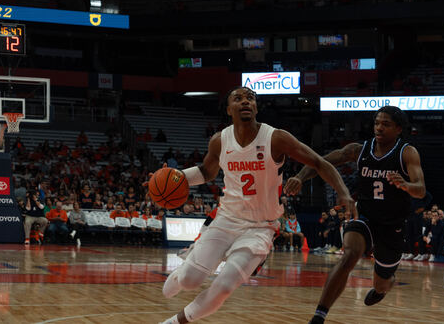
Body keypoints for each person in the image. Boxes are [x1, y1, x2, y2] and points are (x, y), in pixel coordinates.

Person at [156, 87, 356, 324]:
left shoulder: (276, 138)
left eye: (250, 98)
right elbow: (206, 172)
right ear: (229, 109)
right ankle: (183, 271)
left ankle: (172, 323)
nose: (245, 102)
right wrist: (174, 176)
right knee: (189, 281)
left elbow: (319, 162)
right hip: (226, 219)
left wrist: (344, 193)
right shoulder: (220, 140)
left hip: (261, 227)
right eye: (238, 99)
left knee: (225, 285)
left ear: (256, 107)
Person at [284, 106, 426, 323]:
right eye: (377, 122)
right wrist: (300, 177)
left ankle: (383, 287)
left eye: (386, 124)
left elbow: (421, 189)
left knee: (382, 282)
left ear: (398, 129)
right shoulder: (359, 150)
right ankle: (319, 315)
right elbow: (321, 162)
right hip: (365, 216)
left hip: (392, 225)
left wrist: (406, 185)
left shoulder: (406, 152)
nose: (379, 127)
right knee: (350, 254)